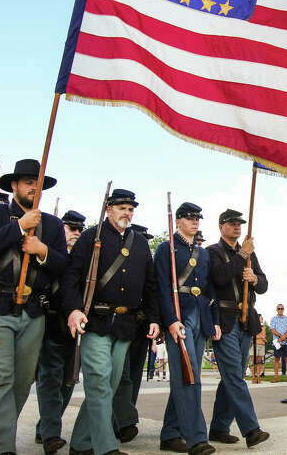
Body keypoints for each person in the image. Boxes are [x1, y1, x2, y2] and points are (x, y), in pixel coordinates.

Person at [0, 159, 69, 455]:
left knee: (21, 383)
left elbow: (63, 265)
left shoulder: (51, 224)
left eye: (37, 182)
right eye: (27, 182)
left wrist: (42, 251)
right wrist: (18, 229)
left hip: (33, 311)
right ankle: (2, 449)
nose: (33, 187)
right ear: (13, 186)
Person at [64, 189, 160, 455]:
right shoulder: (89, 237)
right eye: (122, 208)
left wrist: (154, 318)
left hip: (126, 323)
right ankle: (105, 448)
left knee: (109, 384)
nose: (127, 213)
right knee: (98, 380)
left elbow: (150, 284)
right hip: (95, 319)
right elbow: (71, 277)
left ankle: (81, 443)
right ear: (108, 210)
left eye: (131, 209)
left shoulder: (139, 243)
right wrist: (73, 309)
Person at [155, 201, 219, 455]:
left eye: (197, 218)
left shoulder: (203, 253)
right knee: (188, 374)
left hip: (199, 316)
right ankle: (196, 438)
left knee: (189, 374)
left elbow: (209, 289)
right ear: (178, 221)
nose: (195, 221)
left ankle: (170, 434)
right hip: (178, 316)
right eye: (190, 218)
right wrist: (170, 320)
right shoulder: (166, 249)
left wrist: (213, 320)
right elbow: (161, 287)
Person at [205, 208, 271, 447]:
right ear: (221, 226)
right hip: (224, 319)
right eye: (232, 223)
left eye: (239, 224)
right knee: (233, 374)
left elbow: (263, 285)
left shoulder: (250, 254)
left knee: (232, 377)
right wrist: (242, 254)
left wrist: (254, 278)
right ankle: (251, 429)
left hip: (246, 319)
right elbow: (220, 277)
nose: (237, 227)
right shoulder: (212, 252)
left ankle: (219, 427)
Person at [34, 209, 85, 452]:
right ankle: (51, 432)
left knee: (68, 380)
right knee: (50, 378)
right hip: (51, 323)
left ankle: (45, 426)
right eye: (71, 228)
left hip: (75, 329)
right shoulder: (48, 251)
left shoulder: (85, 257)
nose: (76, 233)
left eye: (79, 230)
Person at [111, 201, 159, 446]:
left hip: (139, 324)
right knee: (122, 374)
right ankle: (123, 420)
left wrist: (153, 319)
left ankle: (120, 420)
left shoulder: (143, 257)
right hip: (120, 321)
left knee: (134, 377)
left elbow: (151, 289)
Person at [269, 304, 287, 382]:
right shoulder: (273, 319)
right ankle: (276, 377)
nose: (280, 310)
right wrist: (281, 336)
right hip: (277, 342)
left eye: (282, 308)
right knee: (276, 359)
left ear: (283, 309)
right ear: (276, 310)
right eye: (279, 308)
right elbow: (272, 330)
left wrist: (284, 336)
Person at [254, 313, 266, 378]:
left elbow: (264, 335)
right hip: (256, 345)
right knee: (254, 362)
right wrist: (261, 337)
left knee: (259, 362)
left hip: (262, 344)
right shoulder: (254, 326)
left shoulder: (263, 327)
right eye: (261, 318)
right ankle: (253, 376)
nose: (262, 319)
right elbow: (253, 335)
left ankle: (258, 376)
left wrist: (264, 338)